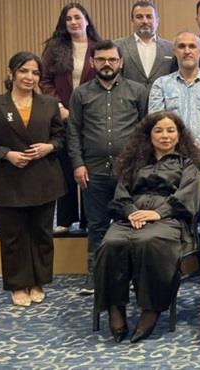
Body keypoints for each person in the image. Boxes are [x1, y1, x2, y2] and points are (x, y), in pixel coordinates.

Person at [94, 111, 200, 343]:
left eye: (171, 130)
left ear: (179, 135)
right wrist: (130, 211)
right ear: (148, 135)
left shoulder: (188, 165)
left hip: (169, 218)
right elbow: (121, 193)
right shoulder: (134, 162)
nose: (165, 135)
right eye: (158, 130)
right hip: (132, 216)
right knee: (111, 243)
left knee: (149, 242)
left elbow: (187, 196)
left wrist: (158, 213)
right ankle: (115, 306)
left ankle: (151, 308)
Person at [0, 52, 65, 307]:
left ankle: (38, 281)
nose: (29, 77)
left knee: (41, 234)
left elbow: (61, 137)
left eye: (35, 72)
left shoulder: (49, 104)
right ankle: (17, 284)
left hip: (43, 178)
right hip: (9, 180)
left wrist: (49, 147)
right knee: (13, 236)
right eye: (24, 71)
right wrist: (6, 154)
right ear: (11, 73)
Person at [67, 40, 149, 295]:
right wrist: (78, 164)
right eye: (101, 59)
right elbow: (73, 131)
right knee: (97, 225)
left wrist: (142, 165)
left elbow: (146, 130)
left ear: (121, 63)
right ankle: (96, 277)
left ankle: (132, 275)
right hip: (93, 172)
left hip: (130, 173)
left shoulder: (138, 91)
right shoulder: (81, 94)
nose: (107, 64)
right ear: (92, 63)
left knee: (133, 224)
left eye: (112, 59)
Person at [40, 2, 101, 234]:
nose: (74, 22)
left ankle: (88, 219)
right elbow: (44, 80)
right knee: (65, 166)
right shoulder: (55, 49)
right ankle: (65, 219)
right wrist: (59, 106)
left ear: (86, 20)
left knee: (89, 167)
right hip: (62, 116)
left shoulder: (97, 47)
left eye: (78, 17)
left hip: (91, 116)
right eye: (69, 19)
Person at [149, 31, 200, 162]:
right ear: (174, 51)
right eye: (181, 46)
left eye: (192, 46)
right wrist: (177, 144)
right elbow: (155, 119)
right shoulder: (161, 85)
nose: (187, 51)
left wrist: (197, 144)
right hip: (170, 159)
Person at [115, 0, 177, 87]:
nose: (145, 21)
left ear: (157, 20)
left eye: (149, 17)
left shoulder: (171, 48)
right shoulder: (117, 46)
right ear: (132, 21)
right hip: (129, 96)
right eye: (139, 17)